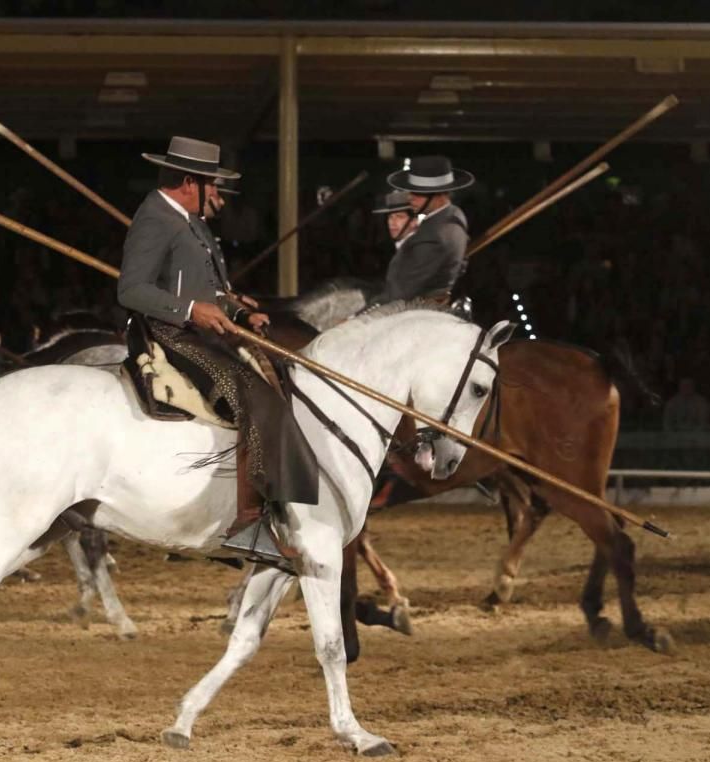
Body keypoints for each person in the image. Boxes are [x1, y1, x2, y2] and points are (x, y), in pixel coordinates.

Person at [117, 136, 318, 568]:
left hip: (200, 330)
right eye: (215, 187)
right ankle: (246, 524)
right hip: (170, 334)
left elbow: (211, 290)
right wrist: (191, 310)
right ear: (190, 182)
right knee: (255, 397)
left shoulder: (189, 219)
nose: (221, 200)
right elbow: (131, 290)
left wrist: (240, 314)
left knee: (278, 377)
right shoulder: (155, 218)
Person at [367, 155, 473, 307]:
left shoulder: (435, 234)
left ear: (438, 193)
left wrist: (358, 317)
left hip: (411, 311)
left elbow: (401, 293)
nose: (410, 198)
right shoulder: (454, 215)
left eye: (417, 192)